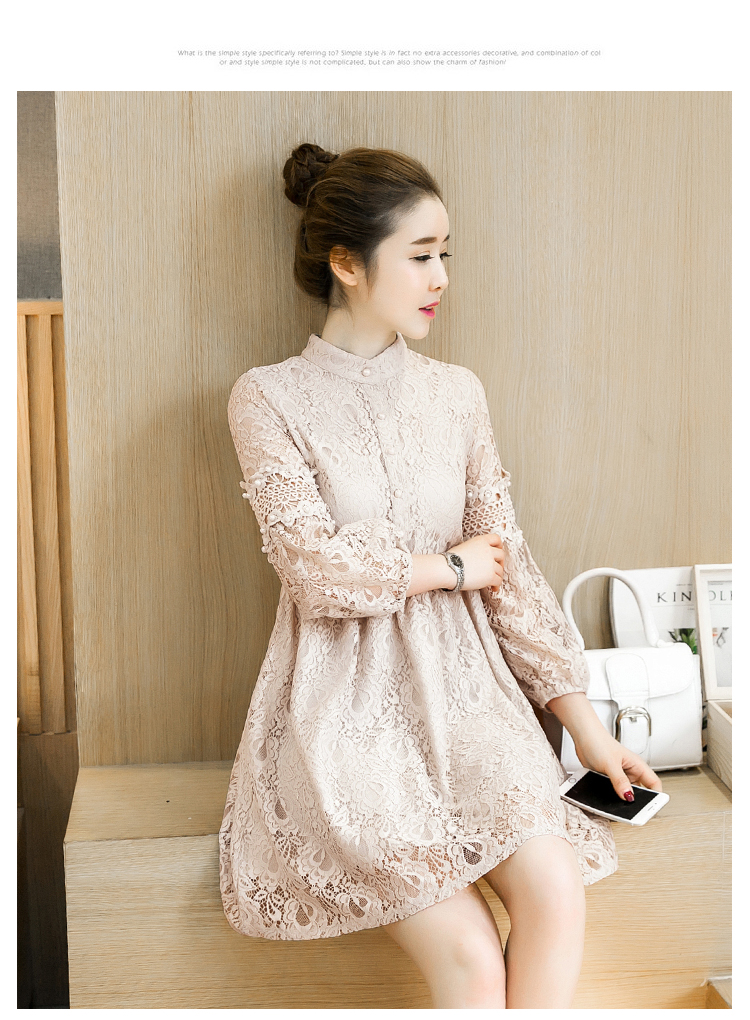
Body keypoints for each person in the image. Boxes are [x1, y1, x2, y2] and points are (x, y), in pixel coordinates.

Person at [219, 142, 662, 1009]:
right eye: (420, 255)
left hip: (471, 700)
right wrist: (445, 566)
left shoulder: (457, 393)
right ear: (348, 263)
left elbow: (510, 574)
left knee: (555, 892)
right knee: (469, 959)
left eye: (444, 254)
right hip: (343, 713)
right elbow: (314, 571)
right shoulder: (266, 397)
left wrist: (587, 729)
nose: (441, 278)